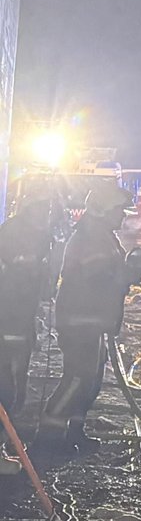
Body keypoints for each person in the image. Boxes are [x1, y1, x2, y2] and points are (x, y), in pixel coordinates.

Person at [41, 186, 141, 435]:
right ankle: (51, 434)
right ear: (102, 210)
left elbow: (122, 264)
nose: (123, 217)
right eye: (118, 211)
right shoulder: (92, 238)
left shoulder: (102, 235)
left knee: (91, 381)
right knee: (78, 378)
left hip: (94, 321)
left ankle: (74, 430)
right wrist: (134, 268)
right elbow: (103, 276)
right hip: (81, 321)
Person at [0, 197, 60, 473]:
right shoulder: (16, 240)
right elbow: (22, 274)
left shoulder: (28, 237)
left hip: (19, 320)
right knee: (6, 388)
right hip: (9, 322)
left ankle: (7, 436)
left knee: (14, 386)